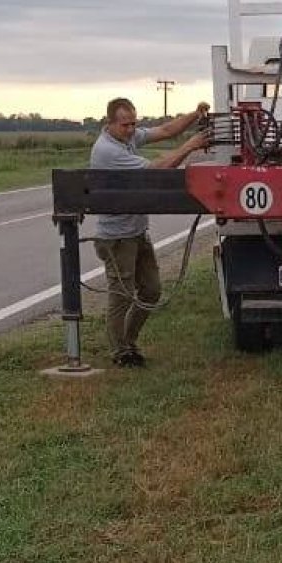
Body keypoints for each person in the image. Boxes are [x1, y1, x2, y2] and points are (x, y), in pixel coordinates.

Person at [90, 96, 209, 366]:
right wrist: (190, 146)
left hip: (136, 231)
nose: (131, 129)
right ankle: (121, 351)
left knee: (152, 290)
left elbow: (166, 131)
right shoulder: (109, 152)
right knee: (121, 294)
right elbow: (156, 171)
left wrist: (194, 114)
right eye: (125, 125)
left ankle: (128, 342)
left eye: (134, 123)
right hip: (117, 237)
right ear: (110, 123)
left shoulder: (125, 139)